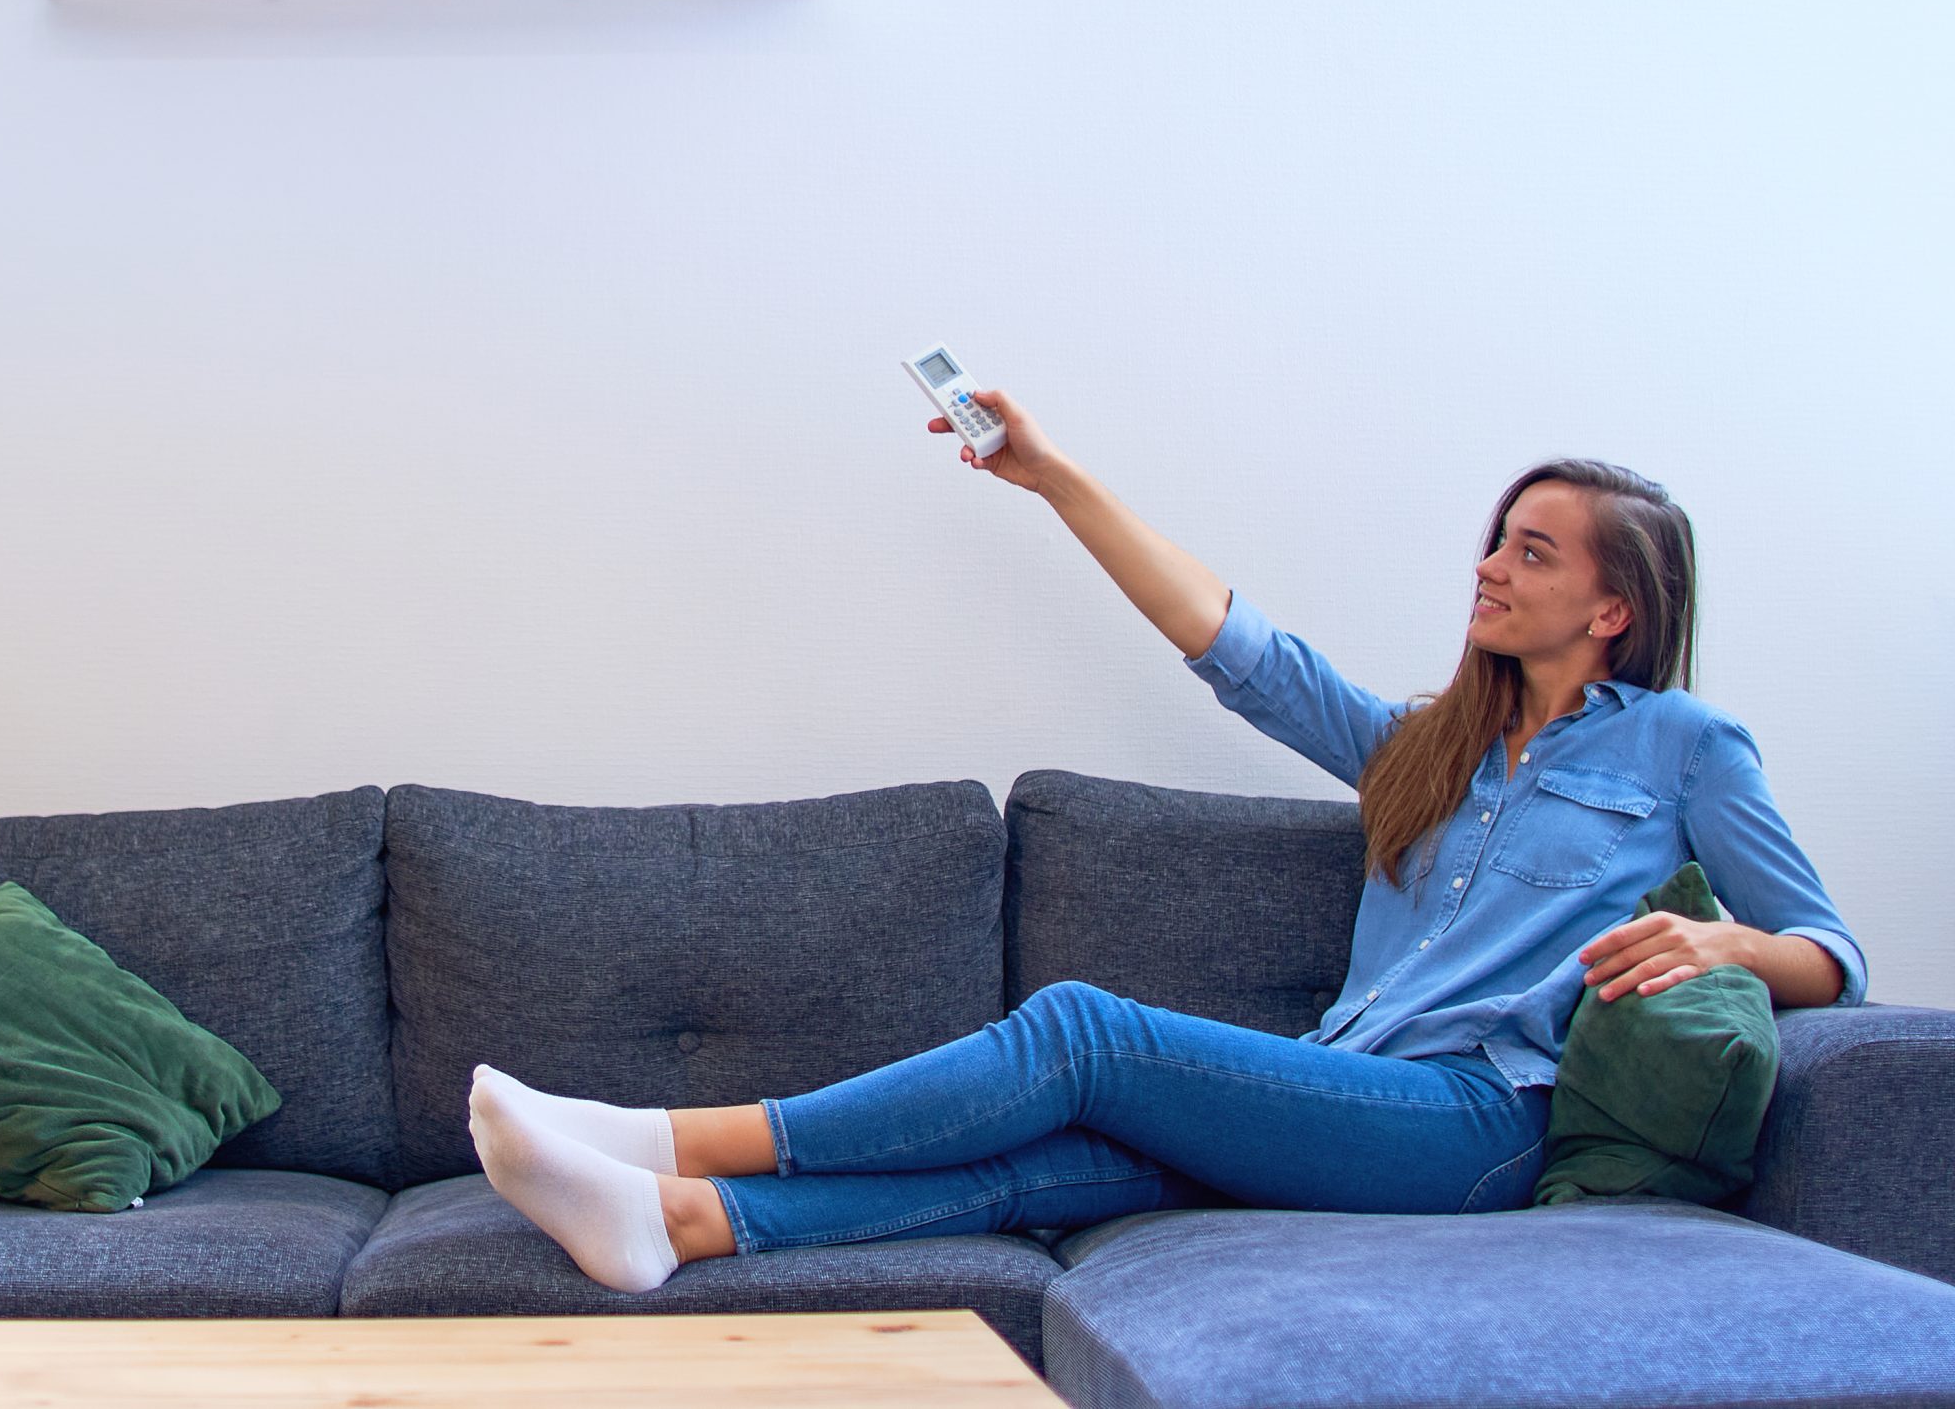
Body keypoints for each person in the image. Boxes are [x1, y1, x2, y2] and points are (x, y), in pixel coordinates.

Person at [465, 389, 1870, 1293]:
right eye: (1497, 539)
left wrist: (1728, 941)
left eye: (1534, 553)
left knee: (1082, 1035)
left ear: (1613, 609)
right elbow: (1237, 646)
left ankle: (655, 1140)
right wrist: (1057, 478)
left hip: (1479, 1124)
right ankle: (681, 1228)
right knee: (1053, 1162)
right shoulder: (1427, 746)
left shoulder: (1688, 747)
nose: (1491, 566)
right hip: (1348, 1090)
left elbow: (1834, 956)